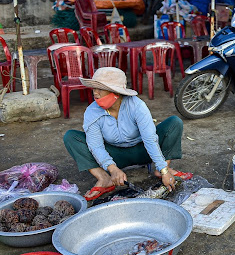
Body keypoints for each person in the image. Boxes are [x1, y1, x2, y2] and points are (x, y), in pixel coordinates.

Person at [63, 67, 193, 201]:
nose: (95, 93)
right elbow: (96, 146)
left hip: (142, 151)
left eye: (100, 88)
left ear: (115, 92)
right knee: (71, 137)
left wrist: (163, 169)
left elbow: (150, 139)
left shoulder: (137, 106)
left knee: (174, 123)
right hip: (115, 155)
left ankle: (163, 169)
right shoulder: (92, 112)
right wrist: (112, 168)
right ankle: (104, 178)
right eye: (94, 88)